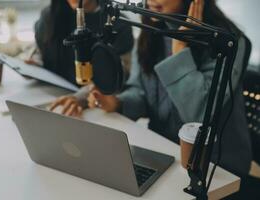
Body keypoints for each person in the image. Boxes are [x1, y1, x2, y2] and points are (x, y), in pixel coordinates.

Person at [87, 0, 252, 179]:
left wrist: (180, 50)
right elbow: (140, 91)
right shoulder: (153, 28)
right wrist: (119, 103)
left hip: (216, 167)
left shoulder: (228, 42)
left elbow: (197, 113)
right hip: (163, 150)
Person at [35, 0, 133, 116]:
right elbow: (38, 50)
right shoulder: (50, 15)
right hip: (48, 97)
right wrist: (35, 62)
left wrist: (80, 97)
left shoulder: (117, 23)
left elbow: (118, 75)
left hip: (93, 108)